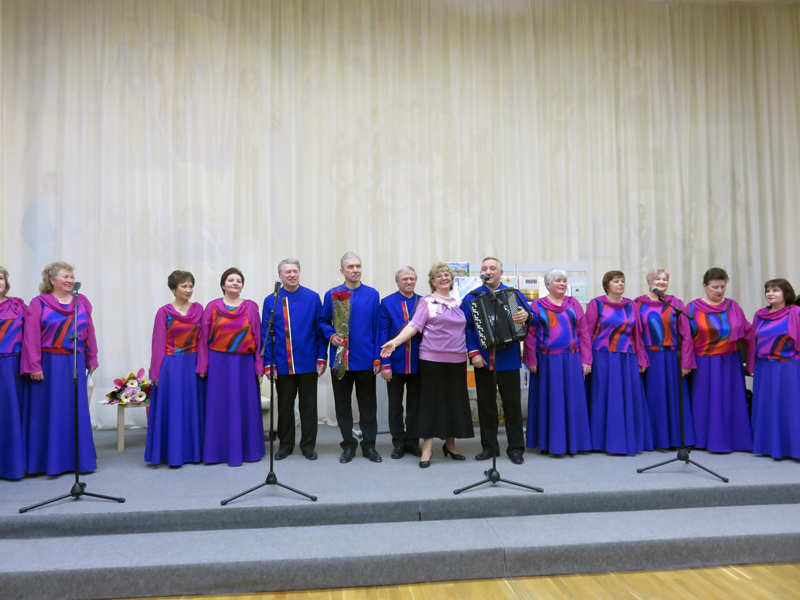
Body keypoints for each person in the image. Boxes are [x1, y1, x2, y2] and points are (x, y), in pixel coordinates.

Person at [381, 262, 474, 468]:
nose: (443, 278)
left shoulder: (459, 302)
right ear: (432, 282)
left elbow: (467, 329)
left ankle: (450, 445)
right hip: (432, 360)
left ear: (452, 279)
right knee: (430, 405)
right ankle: (427, 449)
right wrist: (395, 342)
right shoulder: (427, 301)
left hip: (457, 360)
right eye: (438, 276)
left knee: (454, 403)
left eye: (446, 275)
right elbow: (414, 326)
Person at [22, 262, 98, 475]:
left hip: (75, 360)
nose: (70, 280)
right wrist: (34, 365)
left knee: (75, 410)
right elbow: (31, 336)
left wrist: (92, 357)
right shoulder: (38, 303)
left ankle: (78, 461)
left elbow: (89, 331)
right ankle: (48, 462)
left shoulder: (81, 301)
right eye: (65, 276)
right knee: (51, 411)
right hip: (49, 363)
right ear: (51, 280)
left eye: (72, 277)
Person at [461, 257, 530, 464]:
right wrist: (474, 353)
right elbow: (465, 328)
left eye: (493, 268)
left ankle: (516, 448)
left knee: (512, 405)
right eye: (485, 268)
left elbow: (532, 317)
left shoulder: (513, 295)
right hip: (483, 360)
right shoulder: (471, 297)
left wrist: (527, 316)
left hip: (509, 359)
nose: (488, 271)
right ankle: (489, 447)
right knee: (486, 405)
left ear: (501, 273)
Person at [262, 259, 327, 461]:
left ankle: (308, 446)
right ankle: (286, 445)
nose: (292, 275)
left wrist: (322, 357)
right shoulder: (271, 300)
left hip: (308, 362)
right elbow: (266, 334)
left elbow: (320, 330)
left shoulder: (313, 297)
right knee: (285, 407)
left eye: (295, 271)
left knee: (309, 407)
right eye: (288, 272)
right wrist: (268, 363)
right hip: (283, 363)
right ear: (280, 276)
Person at [320, 252, 383, 463]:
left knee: (368, 406)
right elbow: (323, 322)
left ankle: (369, 446)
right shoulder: (332, 294)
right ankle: (348, 446)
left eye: (358, 266)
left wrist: (377, 358)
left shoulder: (372, 294)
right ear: (342, 271)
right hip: (340, 359)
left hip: (365, 359)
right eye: (350, 267)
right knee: (343, 405)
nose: (355, 270)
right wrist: (331, 335)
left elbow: (377, 328)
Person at [523, 268, 592, 455]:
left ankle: (574, 443)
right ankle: (549, 443)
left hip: (571, 359)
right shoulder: (537, 305)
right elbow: (530, 334)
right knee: (550, 402)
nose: (562, 284)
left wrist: (586, 360)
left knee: (572, 401)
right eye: (557, 280)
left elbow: (584, 333)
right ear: (547, 285)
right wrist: (531, 359)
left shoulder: (574, 303)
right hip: (546, 361)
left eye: (564, 280)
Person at [202, 267, 265, 466]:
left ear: (242, 285)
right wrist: (203, 365)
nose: (235, 283)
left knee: (245, 406)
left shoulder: (251, 307)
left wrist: (259, 366)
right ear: (223, 285)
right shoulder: (211, 307)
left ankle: (249, 451)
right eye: (231, 280)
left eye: (239, 280)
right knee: (218, 407)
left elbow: (258, 338)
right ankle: (217, 452)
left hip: (244, 364)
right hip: (218, 364)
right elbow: (203, 338)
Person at [585, 270, 653, 456]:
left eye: (622, 281)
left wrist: (641, 358)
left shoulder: (631, 305)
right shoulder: (596, 304)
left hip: (626, 357)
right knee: (602, 398)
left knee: (627, 398)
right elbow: (587, 333)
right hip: (602, 357)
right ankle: (600, 441)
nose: (621, 284)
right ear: (607, 285)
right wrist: (586, 360)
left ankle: (627, 440)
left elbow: (638, 334)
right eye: (616, 281)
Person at [687, 267, 753, 452]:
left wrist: (764, 351)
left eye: (722, 287)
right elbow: (685, 338)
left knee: (730, 402)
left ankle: (735, 441)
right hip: (703, 363)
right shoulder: (692, 308)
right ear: (704, 286)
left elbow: (748, 333)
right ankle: (703, 441)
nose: (719, 291)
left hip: (730, 362)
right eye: (715, 287)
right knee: (705, 403)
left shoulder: (733, 306)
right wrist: (686, 362)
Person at [146, 270, 207, 466]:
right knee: (173, 409)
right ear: (173, 289)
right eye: (184, 286)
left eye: (190, 286)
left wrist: (203, 364)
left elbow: (203, 340)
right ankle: (173, 454)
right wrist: (155, 372)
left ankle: (194, 453)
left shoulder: (199, 310)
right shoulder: (164, 312)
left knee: (192, 409)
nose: (188, 290)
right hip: (171, 365)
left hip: (193, 365)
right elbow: (158, 343)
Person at [635, 269, 696, 449]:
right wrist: (640, 358)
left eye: (665, 279)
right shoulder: (637, 304)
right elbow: (636, 334)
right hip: (650, 357)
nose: (661, 282)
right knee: (654, 398)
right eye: (657, 279)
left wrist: (686, 361)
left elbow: (686, 334)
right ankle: (655, 440)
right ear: (649, 282)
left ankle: (677, 439)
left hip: (672, 357)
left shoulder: (675, 303)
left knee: (675, 399)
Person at [746, 279, 800, 459]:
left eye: (775, 290)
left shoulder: (795, 312)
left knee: (790, 408)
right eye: (768, 290)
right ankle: (768, 447)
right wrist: (752, 365)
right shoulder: (760, 314)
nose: (770, 293)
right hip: (764, 368)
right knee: (766, 408)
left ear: (786, 293)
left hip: (788, 367)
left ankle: (794, 449)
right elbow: (753, 342)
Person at [379, 266, 423, 459]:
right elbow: (383, 333)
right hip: (395, 363)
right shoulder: (387, 302)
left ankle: (413, 442)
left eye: (412, 278)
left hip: (418, 363)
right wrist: (385, 364)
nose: (409, 282)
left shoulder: (423, 302)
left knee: (415, 405)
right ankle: (398, 443)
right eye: (405, 279)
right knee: (395, 406)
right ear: (397, 281)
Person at [0, 267, 27, 480]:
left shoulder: (17, 305)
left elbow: (34, 334)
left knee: (12, 415)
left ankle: (14, 465)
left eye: (0, 278)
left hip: (13, 366)